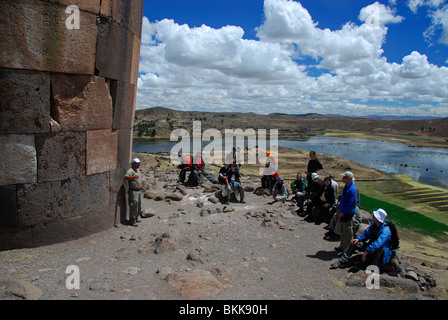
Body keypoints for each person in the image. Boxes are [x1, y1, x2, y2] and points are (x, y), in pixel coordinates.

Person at [334, 171, 360, 253]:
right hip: (343, 212)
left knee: (348, 233)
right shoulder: (347, 187)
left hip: (348, 214)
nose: (342, 179)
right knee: (343, 231)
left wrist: (344, 212)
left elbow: (351, 203)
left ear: (348, 179)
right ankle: (342, 247)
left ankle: (347, 250)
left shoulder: (352, 189)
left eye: (344, 177)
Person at [124, 158, 143, 227]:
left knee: (138, 205)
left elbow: (139, 179)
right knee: (134, 205)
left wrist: (142, 186)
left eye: (139, 163)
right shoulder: (130, 170)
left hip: (139, 190)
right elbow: (125, 177)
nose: (138, 164)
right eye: (137, 163)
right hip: (133, 191)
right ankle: (132, 220)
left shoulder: (137, 170)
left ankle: (136, 217)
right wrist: (133, 177)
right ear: (133, 163)